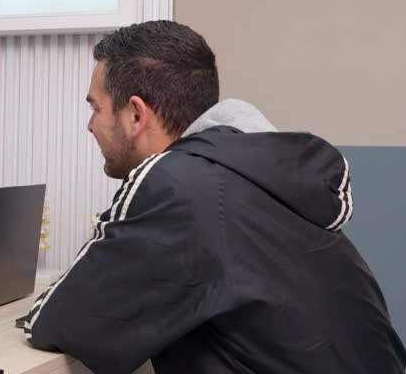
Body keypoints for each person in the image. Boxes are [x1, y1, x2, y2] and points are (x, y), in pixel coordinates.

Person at [22, 21, 406, 373]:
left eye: (96, 107)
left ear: (136, 115)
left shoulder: (174, 183)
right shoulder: (258, 179)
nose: (91, 125)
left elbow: (62, 322)